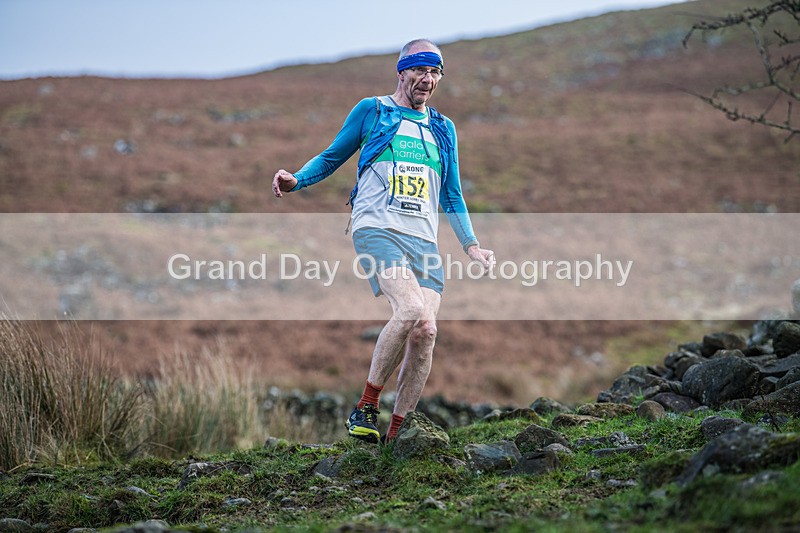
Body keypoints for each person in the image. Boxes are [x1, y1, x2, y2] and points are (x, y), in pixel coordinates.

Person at [272, 38, 494, 443]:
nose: (427, 80)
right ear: (402, 71)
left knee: (426, 330)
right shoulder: (372, 110)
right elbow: (331, 156)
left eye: (435, 72)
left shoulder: (443, 129)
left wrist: (471, 244)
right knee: (409, 308)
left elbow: (452, 193)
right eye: (420, 71)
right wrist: (297, 179)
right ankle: (366, 407)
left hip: (423, 239)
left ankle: (396, 435)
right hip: (376, 227)